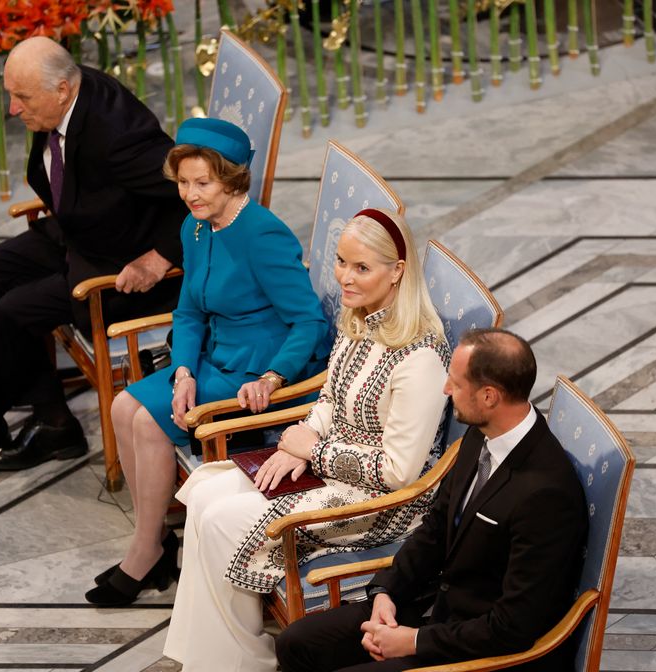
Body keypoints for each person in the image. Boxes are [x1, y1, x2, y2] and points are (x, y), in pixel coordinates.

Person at [162, 209, 452, 672]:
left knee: (221, 520)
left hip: (386, 502)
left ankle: (240, 660)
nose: (344, 278)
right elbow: (330, 397)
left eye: (361, 268)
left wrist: (312, 451)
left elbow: (400, 472)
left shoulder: (421, 355)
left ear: (397, 271)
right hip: (327, 462)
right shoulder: (359, 318)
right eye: (341, 262)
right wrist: (306, 435)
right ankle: (219, 655)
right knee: (203, 493)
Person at [84, 117, 331, 607]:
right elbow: (190, 310)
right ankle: (154, 541)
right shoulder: (194, 227)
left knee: (151, 425)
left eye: (203, 183)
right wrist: (182, 371)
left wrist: (272, 375)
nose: (190, 194)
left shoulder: (263, 234)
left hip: (259, 375)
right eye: (183, 183)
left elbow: (310, 323)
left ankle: (144, 553)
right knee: (122, 409)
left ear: (231, 179)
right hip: (213, 359)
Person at [0, 37, 188, 474]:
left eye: (21, 97)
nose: (13, 109)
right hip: (82, 233)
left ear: (61, 89)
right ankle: (52, 418)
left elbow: (194, 193)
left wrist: (157, 259)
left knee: (13, 312)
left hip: (121, 266)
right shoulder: (66, 100)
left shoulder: (120, 134)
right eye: (11, 95)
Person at [275, 328, 589, 672]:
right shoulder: (482, 433)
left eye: (455, 382)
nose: (445, 389)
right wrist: (386, 593)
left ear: (489, 396)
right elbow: (436, 529)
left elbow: (512, 627)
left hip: (483, 652)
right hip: (434, 607)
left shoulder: (547, 495)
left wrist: (412, 642)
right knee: (297, 642)